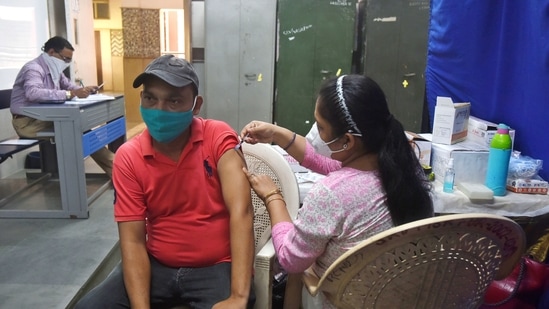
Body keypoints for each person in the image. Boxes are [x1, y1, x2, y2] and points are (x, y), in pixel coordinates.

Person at [74, 54, 255, 309]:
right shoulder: (129, 157)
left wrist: (238, 296)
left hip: (216, 266)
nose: (159, 110)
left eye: (173, 100)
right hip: (157, 265)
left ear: (195, 105)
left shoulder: (217, 137)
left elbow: (242, 211)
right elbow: (133, 240)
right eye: (150, 98)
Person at [240, 74, 434, 308]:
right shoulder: (404, 168)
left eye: (320, 127)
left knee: (296, 272)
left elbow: (290, 258)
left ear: (347, 142)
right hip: (397, 296)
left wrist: (273, 198)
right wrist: (277, 134)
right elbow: (329, 163)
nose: (315, 134)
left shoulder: (331, 194)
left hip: (345, 300)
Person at [10, 36, 114, 177]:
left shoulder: (54, 70)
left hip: (45, 118)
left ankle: (116, 169)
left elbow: (69, 86)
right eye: (65, 59)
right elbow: (33, 93)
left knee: (79, 127)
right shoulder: (34, 68)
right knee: (76, 128)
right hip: (27, 123)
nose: (67, 63)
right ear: (51, 52)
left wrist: (84, 89)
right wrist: (69, 94)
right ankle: (116, 170)